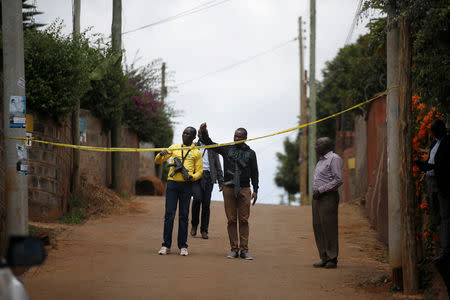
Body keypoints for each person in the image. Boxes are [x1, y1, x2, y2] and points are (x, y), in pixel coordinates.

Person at [199, 122, 259, 260]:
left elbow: (255, 172)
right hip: (228, 188)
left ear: (245, 137)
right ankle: (234, 249)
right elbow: (210, 143)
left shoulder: (251, 153)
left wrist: (255, 189)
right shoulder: (227, 149)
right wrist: (204, 132)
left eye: (239, 137)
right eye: (235, 136)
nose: (236, 139)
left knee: (244, 220)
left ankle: (244, 250)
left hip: (244, 189)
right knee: (231, 220)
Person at [155, 126, 203, 256]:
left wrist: (192, 177)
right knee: (169, 215)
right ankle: (166, 245)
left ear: (193, 137)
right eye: (184, 133)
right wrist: (161, 155)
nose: (185, 135)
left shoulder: (196, 152)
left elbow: (199, 171)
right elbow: (158, 161)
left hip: (186, 186)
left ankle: (183, 246)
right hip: (172, 185)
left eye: (188, 134)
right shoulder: (174, 147)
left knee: (183, 216)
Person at [415, 119, 450, 294]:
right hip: (431, 181)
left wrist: (427, 166)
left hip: (442, 183)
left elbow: (442, 165)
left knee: (444, 216)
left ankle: (444, 250)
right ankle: (441, 247)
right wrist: (424, 165)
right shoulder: (435, 142)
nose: (432, 133)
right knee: (436, 215)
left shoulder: (447, 142)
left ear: (441, 130)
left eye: (434, 130)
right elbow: (432, 161)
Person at [312, 137, 343, 269]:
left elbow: (338, 180)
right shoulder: (320, 161)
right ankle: (324, 257)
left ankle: (332, 258)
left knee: (329, 227)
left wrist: (321, 190)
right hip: (317, 198)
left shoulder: (334, 158)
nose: (315, 147)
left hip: (328, 197)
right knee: (318, 226)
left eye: (318, 144)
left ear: (326, 146)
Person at [190, 130, 224, 239]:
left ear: (207, 135)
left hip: (209, 177)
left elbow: (217, 164)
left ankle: (204, 230)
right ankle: (194, 225)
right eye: (200, 134)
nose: (202, 136)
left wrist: (220, 181)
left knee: (206, 204)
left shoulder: (213, 146)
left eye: (204, 134)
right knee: (197, 199)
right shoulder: (193, 146)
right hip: (196, 176)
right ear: (198, 136)